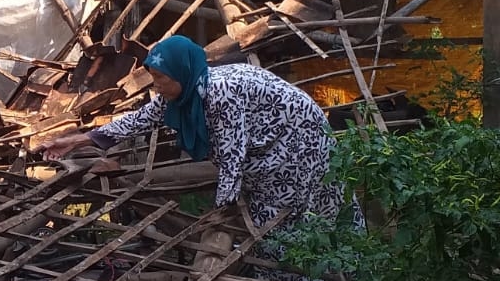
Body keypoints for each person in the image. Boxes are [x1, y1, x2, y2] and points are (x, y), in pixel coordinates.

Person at [40, 34, 358, 233]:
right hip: (269, 147)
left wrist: (221, 210)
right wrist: (76, 140)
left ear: (182, 72)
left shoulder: (219, 94)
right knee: (270, 219)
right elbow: (138, 120)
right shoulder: (186, 91)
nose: (156, 86)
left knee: (292, 218)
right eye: (154, 77)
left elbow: (233, 157)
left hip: (298, 143)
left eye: (162, 78)